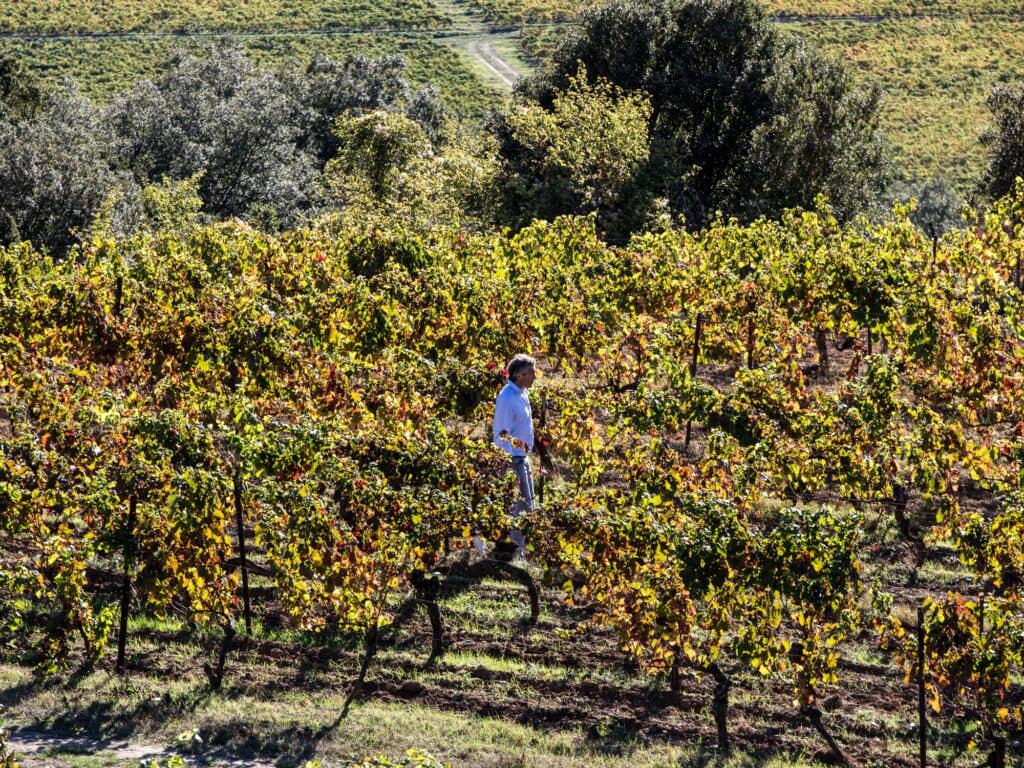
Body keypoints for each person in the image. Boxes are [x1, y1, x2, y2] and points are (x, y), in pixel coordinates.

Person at [484, 353, 537, 559]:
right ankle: (514, 555)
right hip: (512, 459)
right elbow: (502, 433)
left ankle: (518, 553)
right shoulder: (506, 397)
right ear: (519, 374)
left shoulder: (522, 393)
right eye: (531, 372)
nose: (534, 377)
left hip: (521, 457)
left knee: (527, 506)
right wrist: (505, 464)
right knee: (518, 508)